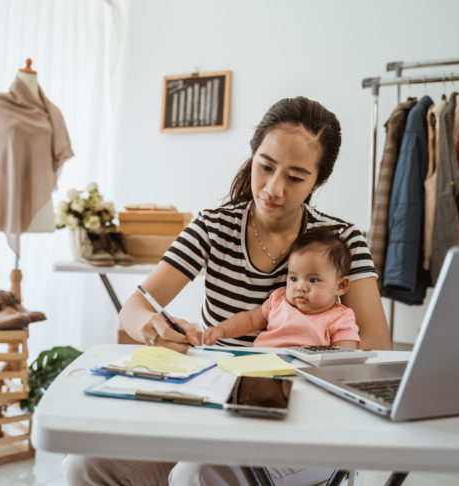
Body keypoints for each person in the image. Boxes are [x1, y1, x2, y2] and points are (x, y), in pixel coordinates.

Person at [63, 97, 391, 486]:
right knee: (85, 463)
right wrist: (151, 325)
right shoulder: (213, 227)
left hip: (308, 422)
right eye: (265, 166)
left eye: (295, 177)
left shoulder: (341, 241)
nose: (273, 188)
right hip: (215, 414)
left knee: (198, 474)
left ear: (318, 181)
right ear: (252, 155)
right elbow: (135, 305)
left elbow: (376, 349)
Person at [202, 228, 359, 349]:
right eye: (293, 278)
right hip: (265, 364)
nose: (300, 287)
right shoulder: (278, 300)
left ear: (340, 286)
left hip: (307, 372)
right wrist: (221, 330)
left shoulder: (340, 318)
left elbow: (344, 354)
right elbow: (249, 319)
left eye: (313, 280)